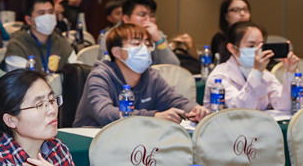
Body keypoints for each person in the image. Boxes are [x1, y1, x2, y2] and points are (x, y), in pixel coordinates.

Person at [74, 24, 209, 127]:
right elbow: (105, 114)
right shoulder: (100, 76)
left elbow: (176, 101)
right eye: (136, 44)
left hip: (134, 141)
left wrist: (194, 109)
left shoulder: (151, 76)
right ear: (116, 52)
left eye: (147, 44)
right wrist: (153, 116)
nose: (144, 49)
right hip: (92, 141)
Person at [204, 21, 299, 111]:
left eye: (260, 45)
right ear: (232, 48)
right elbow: (240, 109)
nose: (257, 50)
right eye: (251, 46)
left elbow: (284, 106)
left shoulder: (265, 74)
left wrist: (290, 72)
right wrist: (256, 73)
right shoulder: (219, 76)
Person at [4, 0, 76, 73]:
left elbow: (77, 69)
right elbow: (23, 78)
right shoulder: (17, 45)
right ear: (29, 20)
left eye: (51, 12)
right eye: (42, 13)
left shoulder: (60, 41)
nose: (48, 17)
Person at [100, 0, 179, 65]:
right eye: (142, 15)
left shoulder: (155, 34)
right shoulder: (111, 36)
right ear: (126, 19)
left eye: (152, 16)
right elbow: (105, 67)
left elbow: (174, 67)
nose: (148, 20)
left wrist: (159, 41)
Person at [211, 0, 252, 64]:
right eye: (236, 10)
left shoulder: (257, 35)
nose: (242, 13)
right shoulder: (219, 38)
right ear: (226, 16)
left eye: (245, 9)